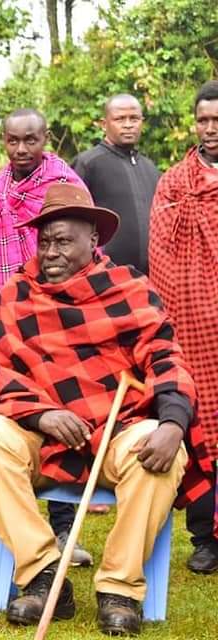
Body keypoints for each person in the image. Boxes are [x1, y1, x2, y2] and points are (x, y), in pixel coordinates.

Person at [0, 184, 214, 636]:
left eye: (63, 241)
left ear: (94, 240)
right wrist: (42, 415)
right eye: (45, 241)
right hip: (38, 434)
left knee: (162, 453)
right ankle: (42, 575)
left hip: (117, 429)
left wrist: (174, 422)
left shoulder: (129, 290)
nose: (51, 252)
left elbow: (166, 358)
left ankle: (119, 588)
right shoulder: (17, 293)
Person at [0, 109, 91, 563]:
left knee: (63, 415)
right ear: (3, 141)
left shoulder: (66, 188)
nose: (21, 150)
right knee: (4, 423)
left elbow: (82, 256)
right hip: (2, 322)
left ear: (46, 138)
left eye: (30, 140)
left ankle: (61, 533)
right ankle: (6, 533)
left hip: (59, 323)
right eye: (13, 141)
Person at [149, 79, 218, 574]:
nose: (210, 130)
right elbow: (162, 258)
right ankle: (205, 537)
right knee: (199, 426)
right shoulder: (174, 182)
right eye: (203, 120)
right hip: (192, 322)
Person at [72, 93, 160, 274]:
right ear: (105, 124)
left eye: (134, 118)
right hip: (104, 277)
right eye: (120, 119)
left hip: (151, 279)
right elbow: (71, 222)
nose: (128, 125)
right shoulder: (88, 164)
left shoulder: (150, 168)